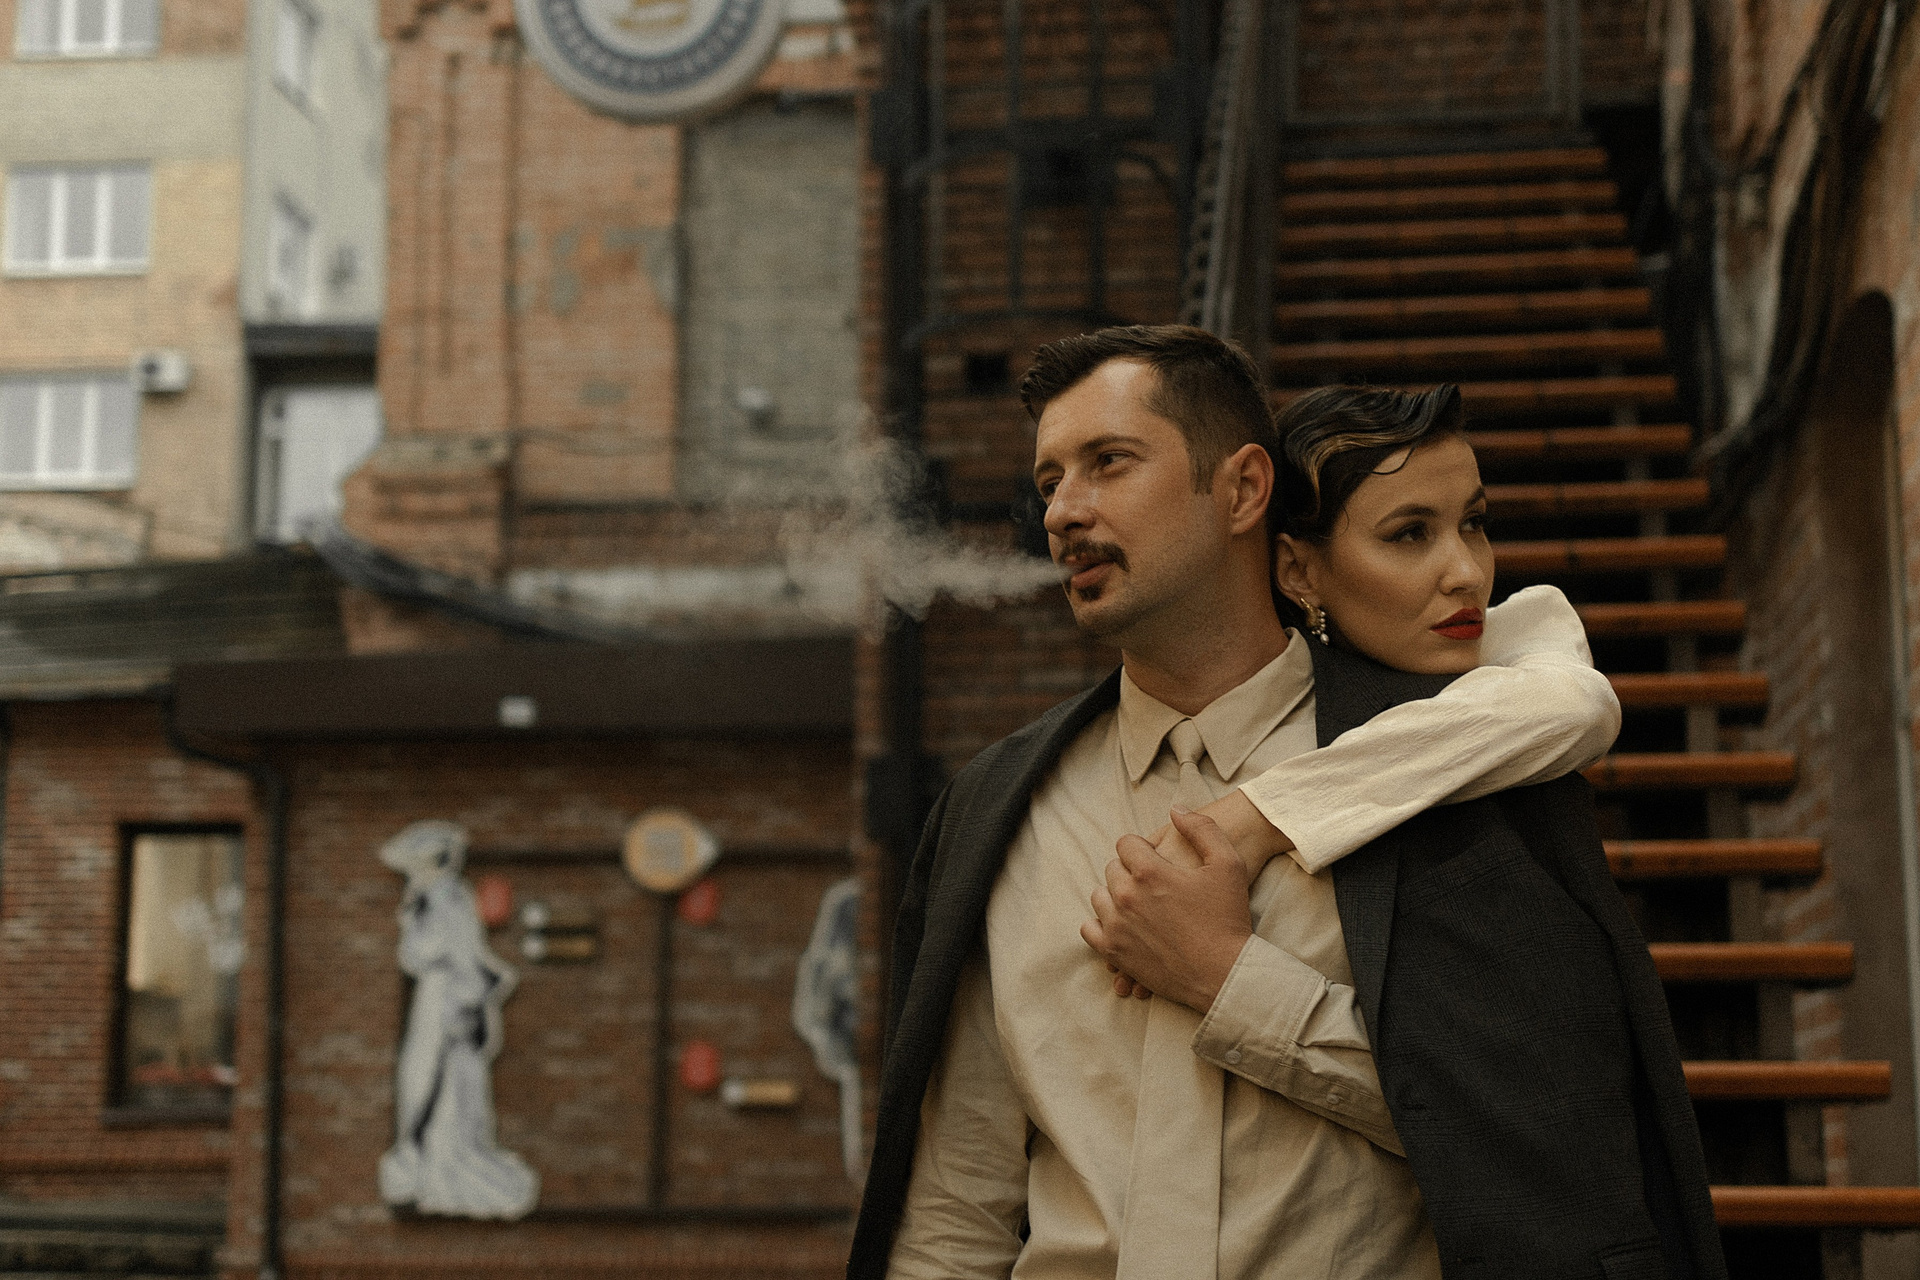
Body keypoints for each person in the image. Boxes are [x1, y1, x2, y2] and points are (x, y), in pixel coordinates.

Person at [846, 325, 1668, 1279]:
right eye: (1049, 481)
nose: (1063, 512)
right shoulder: (996, 812)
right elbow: (953, 1213)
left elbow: (1535, 1122)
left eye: (1109, 463)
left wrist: (1234, 984)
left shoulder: (1453, 774)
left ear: (1242, 490)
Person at [1083, 382, 1727, 1279]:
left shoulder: (1505, 707)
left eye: (1475, 523)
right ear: (1297, 570)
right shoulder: (1096, 775)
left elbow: (1573, 701)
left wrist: (1256, 823)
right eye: (1409, 534)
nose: (1465, 572)